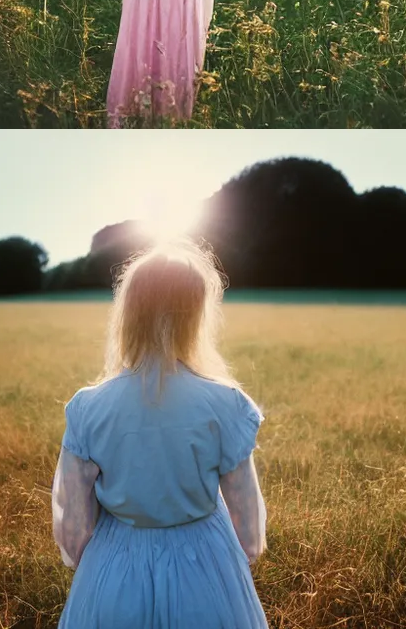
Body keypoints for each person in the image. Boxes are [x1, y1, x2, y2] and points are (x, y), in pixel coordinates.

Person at [52, 243, 268, 628]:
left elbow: (72, 524)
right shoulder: (227, 403)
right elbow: (248, 526)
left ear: (129, 313)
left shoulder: (88, 408)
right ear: (197, 315)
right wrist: (234, 561)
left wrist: (93, 566)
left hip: (114, 570)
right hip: (205, 568)